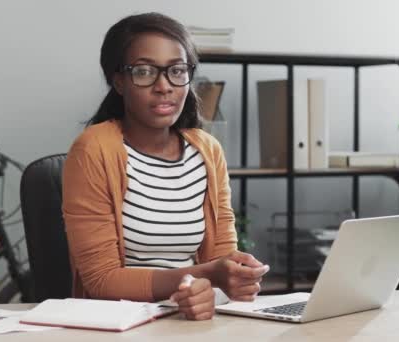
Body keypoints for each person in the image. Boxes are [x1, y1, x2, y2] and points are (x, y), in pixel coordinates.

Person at [62, 12, 268, 321]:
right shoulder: (94, 149)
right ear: (119, 80)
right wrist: (207, 276)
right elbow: (101, 280)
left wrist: (231, 281)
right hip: (119, 324)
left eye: (176, 70)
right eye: (144, 72)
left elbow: (221, 258)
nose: (164, 86)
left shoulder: (207, 151)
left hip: (186, 320)